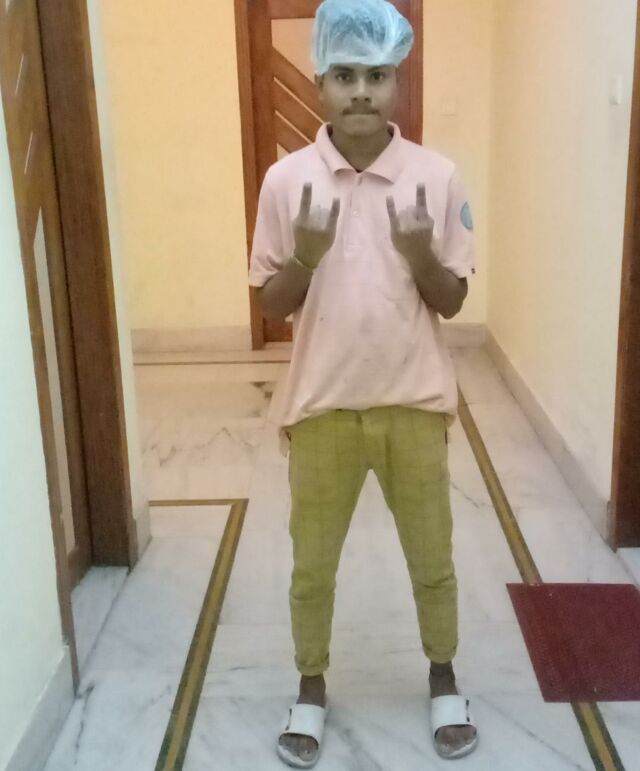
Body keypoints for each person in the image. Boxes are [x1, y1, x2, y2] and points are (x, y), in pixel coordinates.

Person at [248, 0, 479, 765]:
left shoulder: (436, 177)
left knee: (433, 558)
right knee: (312, 565)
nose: (360, 91)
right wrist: (306, 256)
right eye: (344, 74)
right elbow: (270, 303)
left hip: (413, 402)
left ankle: (444, 676)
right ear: (319, 81)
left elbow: (452, 300)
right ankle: (310, 685)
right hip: (320, 407)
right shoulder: (286, 182)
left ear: (396, 83)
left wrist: (418, 255)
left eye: (376, 75)